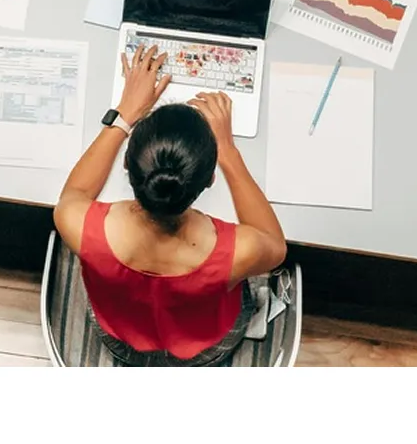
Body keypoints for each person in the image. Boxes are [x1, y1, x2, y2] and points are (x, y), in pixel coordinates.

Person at [52, 45, 288, 367]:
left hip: (121, 338)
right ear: (209, 180)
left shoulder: (78, 224)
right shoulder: (237, 251)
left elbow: (75, 191)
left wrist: (124, 116)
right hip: (204, 346)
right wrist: (229, 153)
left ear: (125, 164)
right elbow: (275, 246)